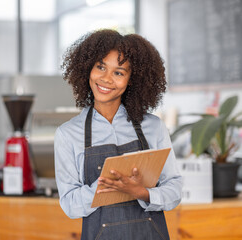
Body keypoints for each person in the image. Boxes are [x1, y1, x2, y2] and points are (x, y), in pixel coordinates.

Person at [54, 29, 182, 240]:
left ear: (132, 80)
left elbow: (174, 190)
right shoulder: (68, 134)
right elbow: (70, 205)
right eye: (101, 67)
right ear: (88, 69)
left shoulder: (153, 127)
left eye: (119, 72)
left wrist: (142, 193)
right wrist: (104, 186)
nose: (106, 79)